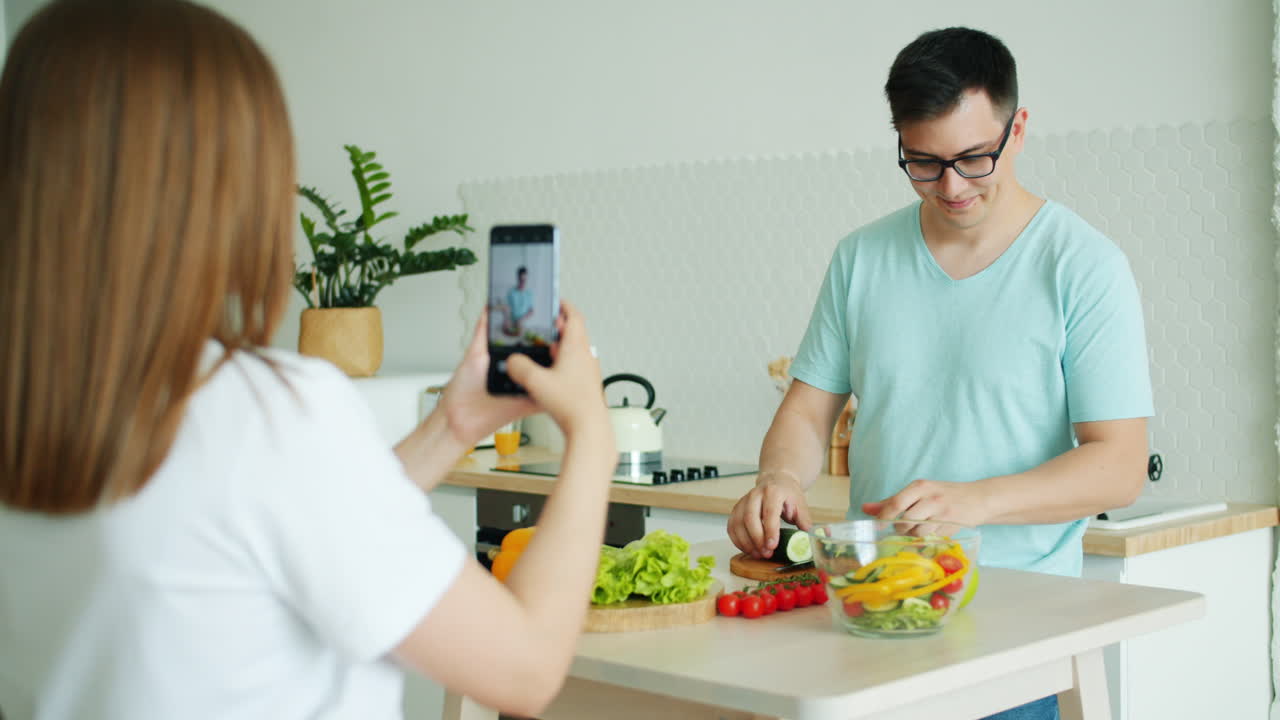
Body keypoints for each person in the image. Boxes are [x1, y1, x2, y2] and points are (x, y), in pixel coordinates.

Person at [0, 2, 615, 719]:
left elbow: (258, 525)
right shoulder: (263, 412)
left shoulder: (33, 399)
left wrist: (450, 427)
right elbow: (526, 669)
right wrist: (593, 434)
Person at [727, 27, 1151, 720]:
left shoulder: (1083, 266)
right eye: (922, 162)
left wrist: (974, 503)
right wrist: (778, 475)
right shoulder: (861, 258)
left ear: (1018, 130)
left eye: (973, 158)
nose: (950, 186)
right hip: (871, 617)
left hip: (1015, 629)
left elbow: (1119, 465)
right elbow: (807, 413)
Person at [503, 266, 534, 337]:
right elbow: (506, 308)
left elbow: (531, 311)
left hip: (524, 325)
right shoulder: (511, 292)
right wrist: (506, 320)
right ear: (517, 278)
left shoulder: (530, 293)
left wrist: (521, 319)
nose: (522, 282)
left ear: (527, 278)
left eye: (524, 280)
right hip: (511, 324)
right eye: (521, 279)